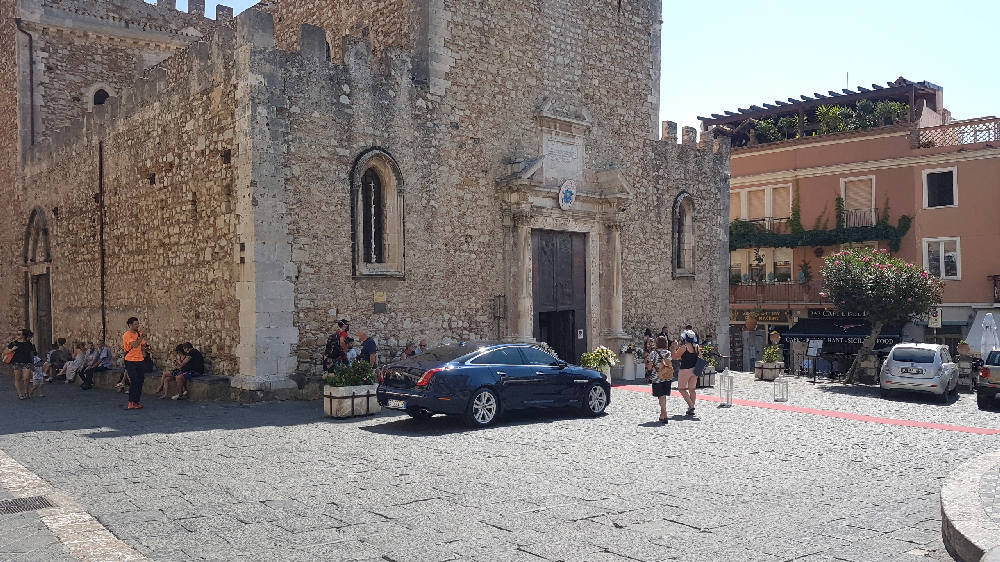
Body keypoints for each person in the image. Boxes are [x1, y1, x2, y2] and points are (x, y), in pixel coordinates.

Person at [645, 336, 673, 424]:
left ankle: (665, 414)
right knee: (663, 395)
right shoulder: (668, 353)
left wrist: (649, 369)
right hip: (667, 376)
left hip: (657, 377)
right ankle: (662, 414)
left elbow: (650, 366)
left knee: (660, 395)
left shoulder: (654, 353)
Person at [122, 317, 148, 410]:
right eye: (135, 324)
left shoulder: (139, 334)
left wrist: (144, 353)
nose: (137, 326)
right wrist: (142, 337)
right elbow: (135, 344)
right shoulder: (127, 335)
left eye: (138, 324)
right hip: (130, 360)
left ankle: (136, 401)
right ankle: (131, 402)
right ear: (130, 325)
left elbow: (142, 345)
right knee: (134, 380)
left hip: (140, 360)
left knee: (140, 381)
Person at [675, 330, 701, 416]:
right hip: (694, 370)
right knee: (692, 389)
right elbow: (700, 357)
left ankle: (691, 405)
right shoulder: (697, 346)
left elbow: (675, 356)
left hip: (685, 370)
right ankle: (691, 409)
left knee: (682, 389)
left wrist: (675, 347)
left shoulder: (685, 346)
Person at [8, 329, 38, 400]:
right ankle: (20, 394)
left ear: (24, 335)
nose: (17, 336)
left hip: (27, 362)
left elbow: (31, 355)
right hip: (16, 362)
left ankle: (26, 392)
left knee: (26, 378)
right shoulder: (14, 343)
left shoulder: (29, 344)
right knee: (17, 378)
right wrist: (12, 349)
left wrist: (33, 364)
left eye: (19, 334)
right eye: (17, 334)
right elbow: (6, 351)